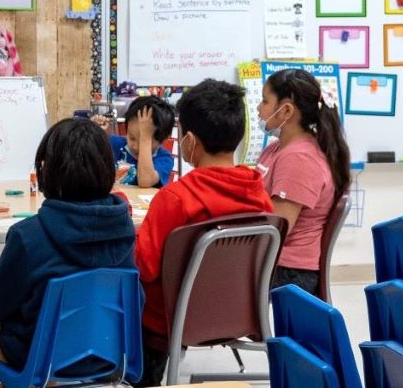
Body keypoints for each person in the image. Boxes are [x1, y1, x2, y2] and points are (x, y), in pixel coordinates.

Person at [0, 118, 136, 388]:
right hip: (109, 353)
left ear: (46, 171)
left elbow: (0, 305)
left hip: (39, 356)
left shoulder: (28, 234)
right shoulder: (124, 226)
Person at [133, 79, 274, 386]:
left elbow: (144, 267)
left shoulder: (176, 199)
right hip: (240, 315)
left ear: (190, 141)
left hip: (171, 321)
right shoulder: (259, 195)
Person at [256, 68, 352, 296]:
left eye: (264, 101)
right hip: (274, 260)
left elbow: (277, 230)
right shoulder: (276, 148)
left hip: (288, 270)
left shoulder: (299, 159)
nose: (259, 109)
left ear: (286, 110)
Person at [93, 96, 176, 188]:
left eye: (144, 141)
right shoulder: (115, 143)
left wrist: (145, 136)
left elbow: (145, 181)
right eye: (132, 138)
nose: (135, 146)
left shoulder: (164, 159)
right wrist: (94, 132)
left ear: (162, 141)